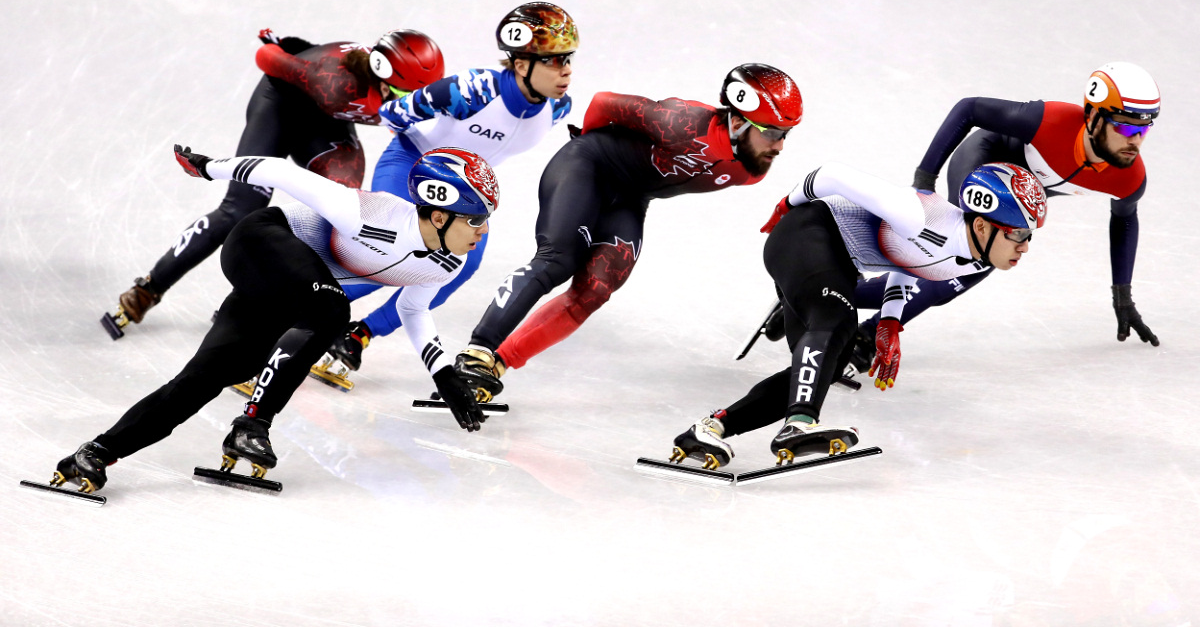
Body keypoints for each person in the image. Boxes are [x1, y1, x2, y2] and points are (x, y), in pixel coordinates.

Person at [48, 145, 496, 496]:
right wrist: (208, 167)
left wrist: (444, 374)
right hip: (262, 241)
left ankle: (95, 453)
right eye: (476, 219)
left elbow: (412, 309)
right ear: (439, 213)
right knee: (333, 309)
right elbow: (283, 173)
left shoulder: (446, 263)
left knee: (210, 376)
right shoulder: (370, 213)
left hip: (291, 284)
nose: (482, 231)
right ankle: (254, 424)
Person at [450, 63, 804, 404]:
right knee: (558, 259)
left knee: (595, 290)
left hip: (631, 198)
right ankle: (478, 350)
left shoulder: (751, 169)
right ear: (739, 121)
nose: (780, 146)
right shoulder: (681, 121)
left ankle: (497, 365)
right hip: (589, 166)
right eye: (772, 133)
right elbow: (603, 103)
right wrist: (585, 152)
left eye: (785, 134)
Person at [668, 160, 1048, 470]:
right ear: (981, 224)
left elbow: (909, 262)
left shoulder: (971, 260)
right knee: (837, 321)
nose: (1026, 247)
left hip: (834, 262)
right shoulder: (919, 215)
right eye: (1018, 234)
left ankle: (711, 427)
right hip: (807, 233)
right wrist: (786, 205)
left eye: (1030, 235)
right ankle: (798, 425)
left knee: (829, 365)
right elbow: (832, 175)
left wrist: (889, 322)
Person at [101, 27, 445, 338]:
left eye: (421, 96)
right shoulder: (336, 82)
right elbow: (265, 58)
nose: (411, 106)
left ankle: (254, 301)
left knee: (340, 214)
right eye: (403, 95)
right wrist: (281, 49)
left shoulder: (396, 90)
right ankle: (149, 287)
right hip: (281, 105)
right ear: (382, 76)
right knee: (239, 210)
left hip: (327, 122)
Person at [321, 3, 576, 381]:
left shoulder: (558, 107)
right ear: (521, 64)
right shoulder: (472, 90)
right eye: (554, 62)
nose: (567, 70)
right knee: (394, 250)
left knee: (458, 267)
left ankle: (358, 336)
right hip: (410, 162)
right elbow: (394, 114)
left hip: (463, 188)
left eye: (568, 59)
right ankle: (298, 317)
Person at [845, 62, 1160, 366]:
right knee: (953, 262)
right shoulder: (1050, 120)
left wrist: (1123, 296)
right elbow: (969, 109)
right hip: (984, 161)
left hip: (1017, 200)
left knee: (945, 285)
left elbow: (1125, 219)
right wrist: (924, 181)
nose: (1136, 139)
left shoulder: (1129, 178)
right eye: (1125, 125)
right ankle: (863, 328)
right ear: (1092, 116)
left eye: (1145, 127)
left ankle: (837, 293)